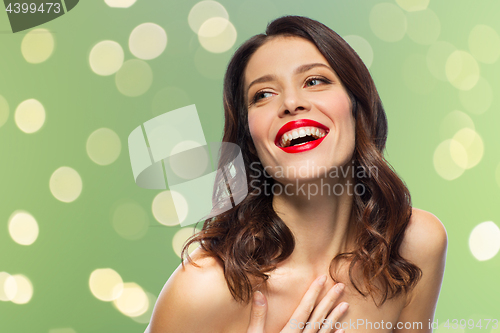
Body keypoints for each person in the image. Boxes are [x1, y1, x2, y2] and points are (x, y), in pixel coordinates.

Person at [145, 15, 447, 332]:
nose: (291, 102)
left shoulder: (417, 244)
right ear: (249, 139)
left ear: (356, 106)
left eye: (315, 81)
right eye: (263, 94)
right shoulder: (204, 290)